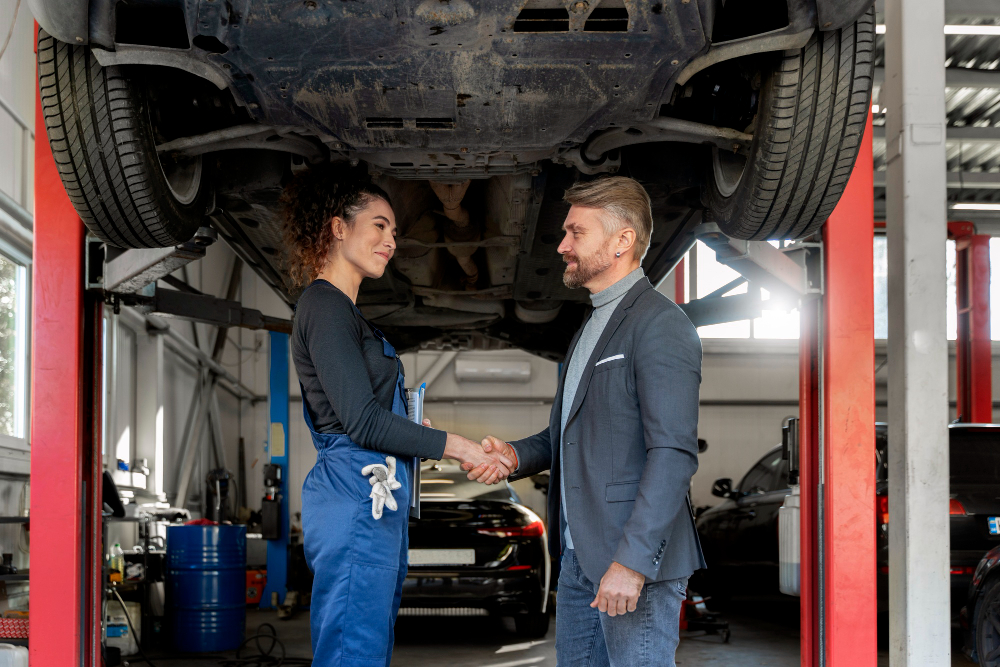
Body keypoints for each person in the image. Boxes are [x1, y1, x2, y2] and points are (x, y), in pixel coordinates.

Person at [465, 176, 706, 667]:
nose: (561, 246)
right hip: (579, 559)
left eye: (576, 232)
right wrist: (515, 456)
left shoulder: (660, 324)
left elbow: (673, 454)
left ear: (623, 241)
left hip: (629, 561)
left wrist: (632, 563)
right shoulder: (592, 324)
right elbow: (569, 435)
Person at [283, 165, 511, 667]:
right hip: (353, 492)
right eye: (379, 225)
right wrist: (460, 447)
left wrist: (412, 433)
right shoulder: (324, 307)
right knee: (352, 649)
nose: (391, 239)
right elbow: (361, 424)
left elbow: (365, 414)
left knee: (368, 642)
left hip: (370, 495)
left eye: (393, 230)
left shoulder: (344, 311)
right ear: (339, 227)